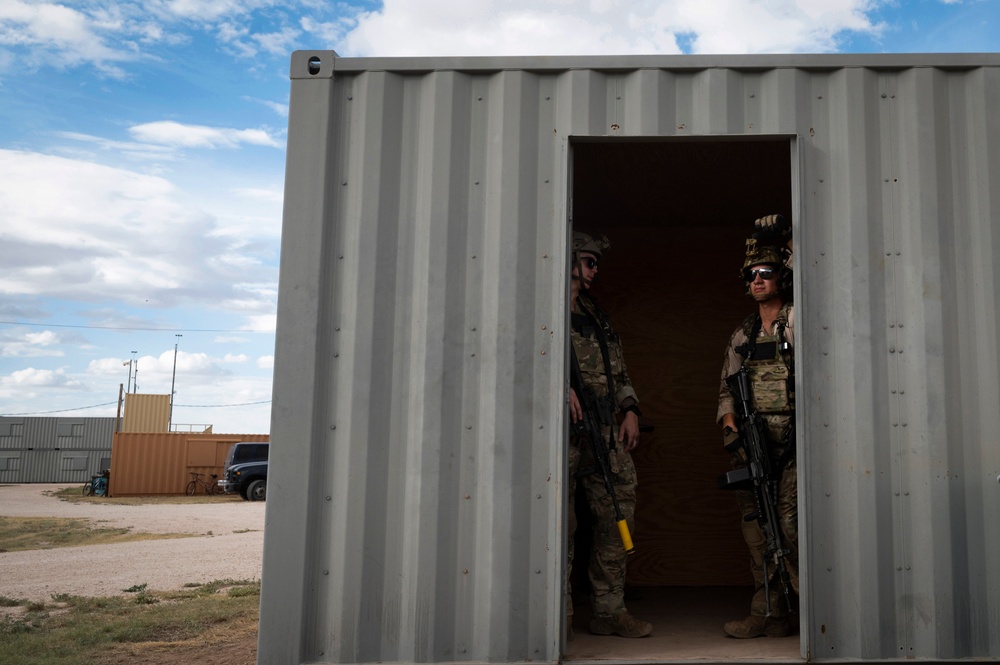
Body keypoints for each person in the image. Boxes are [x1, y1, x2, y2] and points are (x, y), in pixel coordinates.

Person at [716, 214, 799, 639]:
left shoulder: (794, 321)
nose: (758, 279)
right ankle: (768, 614)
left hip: (794, 450)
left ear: (782, 276)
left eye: (766, 272)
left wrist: (786, 239)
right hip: (755, 448)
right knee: (757, 531)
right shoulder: (743, 335)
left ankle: (810, 610)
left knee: (789, 525)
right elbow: (727, 391)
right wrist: (731, 426)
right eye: (751, 274)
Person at [566, 231, 652, 640]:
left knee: (618, 512)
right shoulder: (544, 313)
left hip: (603, 428)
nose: (595, 268)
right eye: (588, 260)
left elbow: (617, 367)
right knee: (558, 524)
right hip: (561, 433)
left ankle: (609, 610)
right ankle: (557, 617)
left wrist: (631, 409)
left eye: (596, 262)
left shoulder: (596, 314)